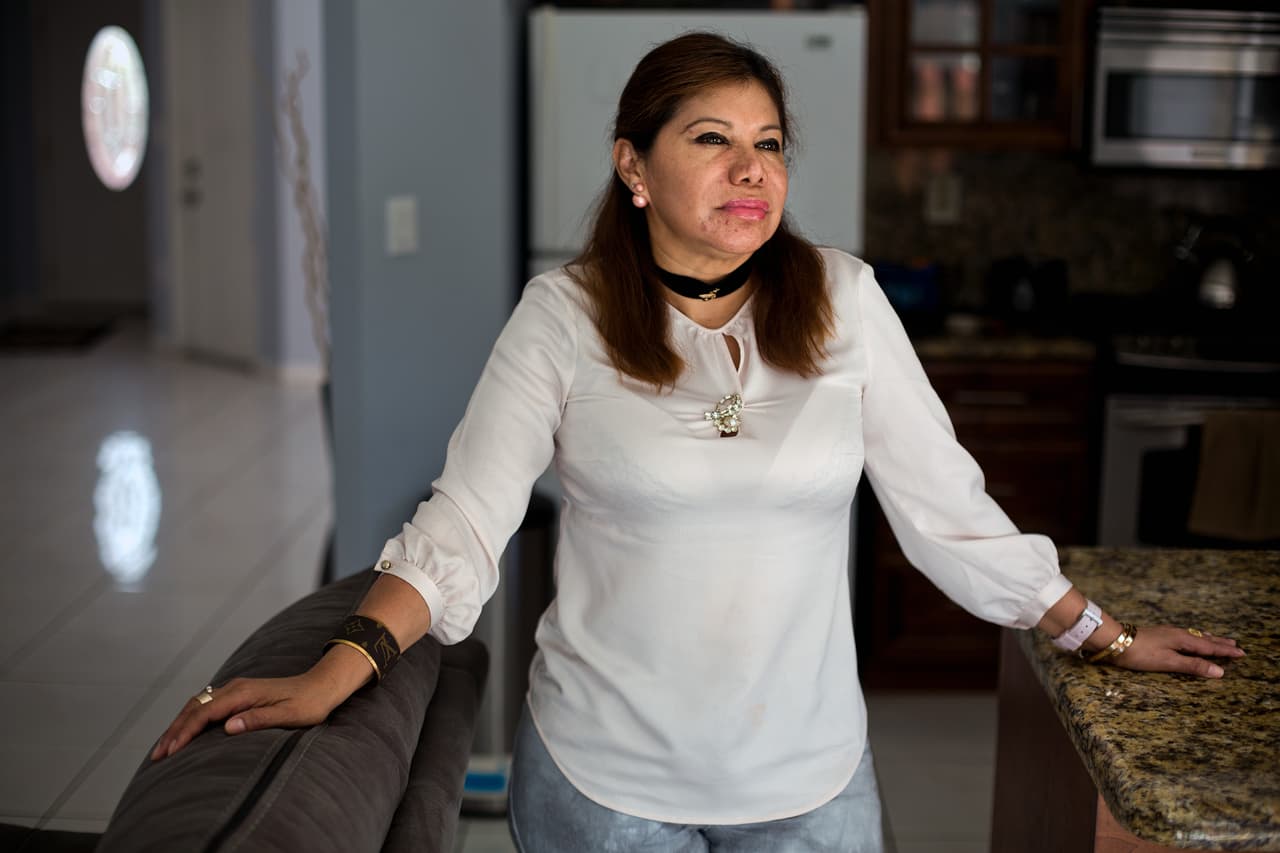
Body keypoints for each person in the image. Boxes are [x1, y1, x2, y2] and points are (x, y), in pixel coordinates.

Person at [153, 32, 1245, 852]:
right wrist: (335, 669)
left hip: (812, 783)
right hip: (603, 785)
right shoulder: (563, 316)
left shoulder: (846, 300)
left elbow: (947, 513)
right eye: (712, 140)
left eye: (767, 144)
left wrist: (1102, 634)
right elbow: (465, 525)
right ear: (633, 168)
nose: (751, 169)